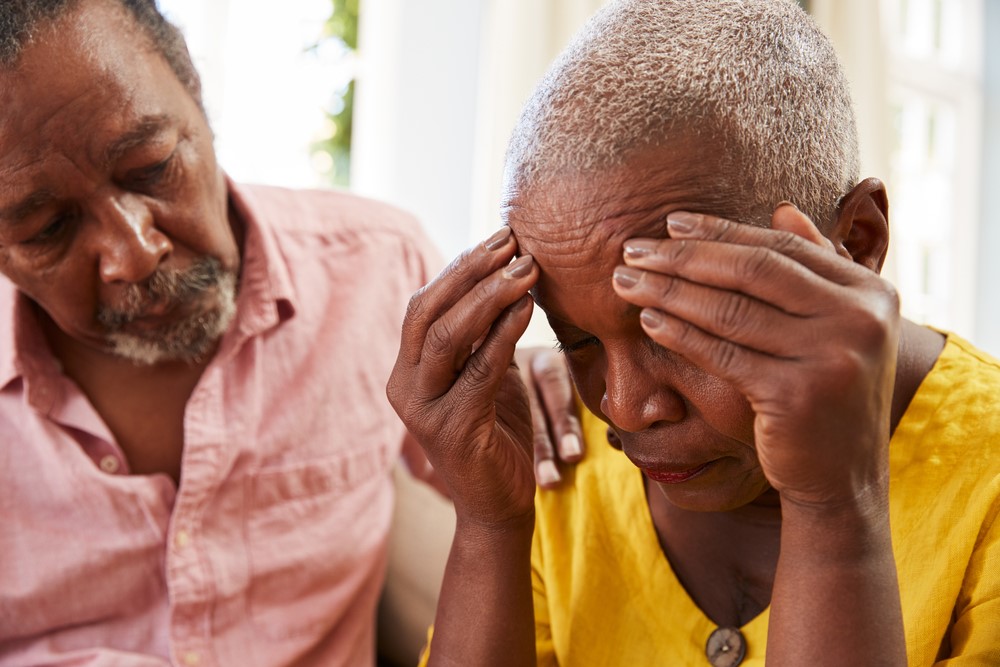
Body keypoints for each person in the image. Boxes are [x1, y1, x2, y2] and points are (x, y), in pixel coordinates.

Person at [387, 0, 1000, 665]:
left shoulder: (984, 481)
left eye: (674, 328)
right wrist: (490, 527)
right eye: (578, 341)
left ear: (854, 240)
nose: (623, 406)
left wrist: (834, 506)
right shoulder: (556, 453)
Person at [0, 1, 579, 665]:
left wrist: (554, 380)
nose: (134, 253)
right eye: (47, 228)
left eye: (152, 167)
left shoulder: (379, 273)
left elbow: (526, 504)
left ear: (192, 82)